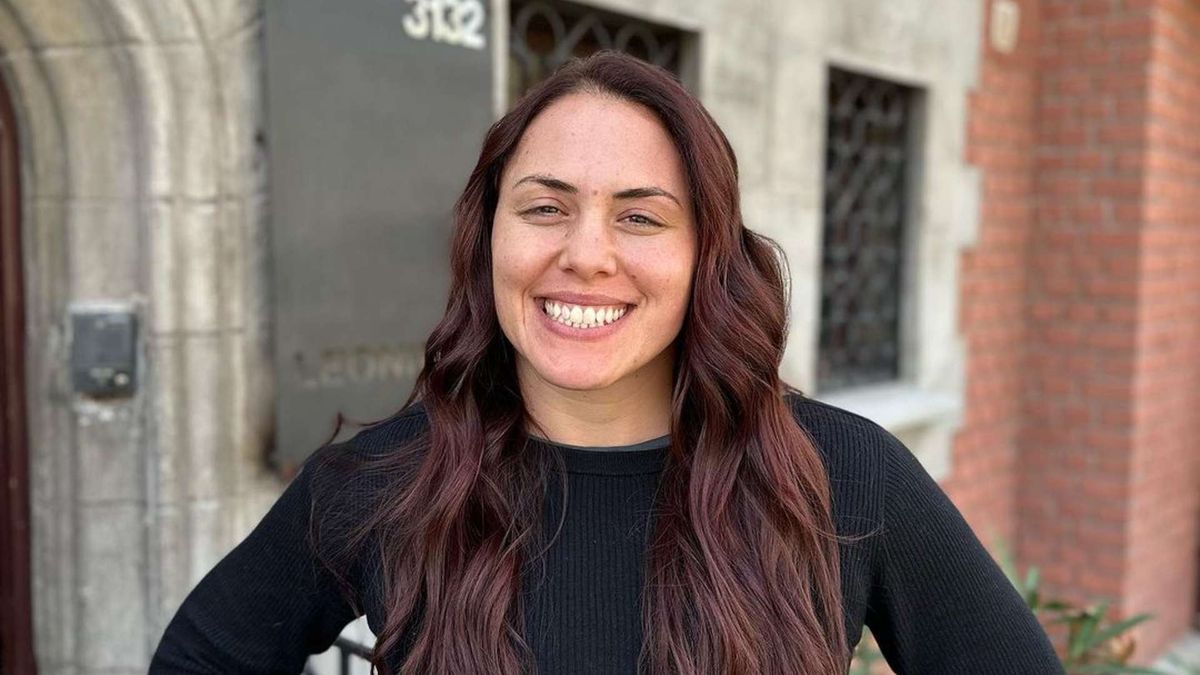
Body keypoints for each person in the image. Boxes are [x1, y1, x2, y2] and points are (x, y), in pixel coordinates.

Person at [151, 51, 1063, 674]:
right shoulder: (384, 480)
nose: (586, 255)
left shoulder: (844, 475)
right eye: (545, 207)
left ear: (706, 254)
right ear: (488, 237)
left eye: (639, 216)